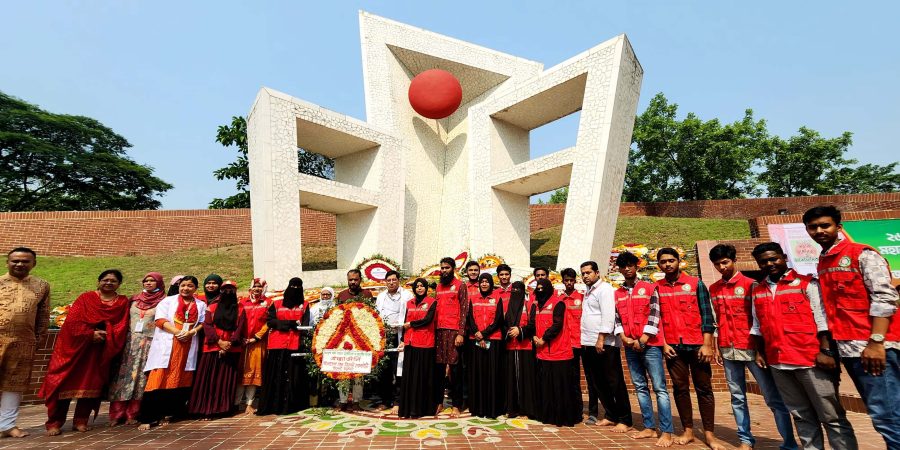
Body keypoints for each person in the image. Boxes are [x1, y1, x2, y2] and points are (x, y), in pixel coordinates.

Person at [803, 205, 900, 448]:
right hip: (850, 348)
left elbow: (885, 298)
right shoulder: (824, 261)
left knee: (888, 416)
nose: (819, 231)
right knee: (883, 413)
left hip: (875, 348)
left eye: (825, 225)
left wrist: (876, 341)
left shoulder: (861, 254)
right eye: (813, 227)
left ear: (839, 227)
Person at [750, 242, 858, 450]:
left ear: (784, 257)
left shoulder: (807, 284)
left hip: (810, 360)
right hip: (779, 362)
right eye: (764, 261)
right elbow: (757, 326)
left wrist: (826, 351)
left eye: (774, 259)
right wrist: (759, 352)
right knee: (801, 415)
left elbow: (823, 320)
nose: (770, 264)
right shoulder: (758, 291)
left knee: (831, 416)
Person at [708, 244, 796, 450]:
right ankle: (745, 439)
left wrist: (759, 350)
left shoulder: (752, 285)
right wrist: (717, 347)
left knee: (772, 398)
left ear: (733, 260)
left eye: (725, 262)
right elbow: (716, 321)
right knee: (737, 397)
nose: (722, 267)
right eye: (717, 264)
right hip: (728, 349)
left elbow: (759, 320)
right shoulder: (714, 288)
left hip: (751, 349)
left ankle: (789, 441)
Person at [39, 269, 129, 435]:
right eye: (105, 280)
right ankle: (55, 422)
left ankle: (81, 420)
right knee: (62, 383)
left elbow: (122, 325)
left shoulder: (122, 302)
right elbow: (72, 322)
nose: (109, 283)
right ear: (99, 281)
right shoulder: (86, 298)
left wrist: (107, 333)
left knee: (91, 386)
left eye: (113, 281)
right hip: (75, 350)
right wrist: (90, 334)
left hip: (99, 352)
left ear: (119, 284)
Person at [655, 248, 723, 449]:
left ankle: (709, 434)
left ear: (679, 261)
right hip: (673, 347)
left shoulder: (695, 284)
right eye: (664, 261)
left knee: (704, 388)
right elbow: (657, 319)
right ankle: (688, 430)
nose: (668, 264)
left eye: (671, 260)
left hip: (697, 345)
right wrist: (664, 344)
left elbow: (707, 315)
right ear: (659, 265)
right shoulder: (657, 288)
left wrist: (707, 344)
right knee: (680, 388)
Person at [612, 251, 674, 447]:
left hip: (651, 346)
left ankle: (667, 431)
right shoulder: (618, 293)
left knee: (659, 388)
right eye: (623, 266)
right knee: (640, 387)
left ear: (636, 266)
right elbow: (617, 319)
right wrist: (624, 337)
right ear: (620, 269)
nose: (627, 269)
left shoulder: (649, 287)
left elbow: (655, 314)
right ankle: (649, 426)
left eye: (630, 265)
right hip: (630, 345)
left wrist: (644, 338)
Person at [138, 276, 206, 430]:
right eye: (183, 285)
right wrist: (177, 332)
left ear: (195, 288)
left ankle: (171, 413)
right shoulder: (168, 301)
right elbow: (160, 320)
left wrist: (192, 332)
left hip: (187, 345)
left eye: (190, 286)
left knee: (181, 379)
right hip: (167, 343)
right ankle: (148, 417)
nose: (186, 289)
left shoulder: (200, 304)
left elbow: (202, 322)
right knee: (158, 379)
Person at [0, 247, 50, 439]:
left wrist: (38, 339)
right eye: (15, 261)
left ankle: (7, 425)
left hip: (23, 342)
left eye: (25, 261)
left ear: (33, 263)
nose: (20, 264)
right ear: (7, 262)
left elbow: (44, 316)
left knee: (14, 385)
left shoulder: (41, 285)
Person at [108, 272, 166, 426]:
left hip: (150, 343)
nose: (148, 283)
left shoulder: (164, 301)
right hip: (130, 343)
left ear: (159, 283)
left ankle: (133, 413)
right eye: (146, 281)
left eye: (152, 281)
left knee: (141, 378)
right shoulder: (133, 299)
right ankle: (116, 413)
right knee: (123, 377)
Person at [580, 261, 632, 431]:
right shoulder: (588, 291)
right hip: (588, 342)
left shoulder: (605, 290)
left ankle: (625, 419)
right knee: (597, 381)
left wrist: (601, 338)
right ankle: (611, 415)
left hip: (605, 343)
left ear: (597, 272)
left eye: (588, 272)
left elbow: (609, 315)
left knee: (614, 381)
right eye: (583, 273)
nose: (585, 276)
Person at [188, 280, 246, 418]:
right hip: (212, 347)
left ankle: (222, 408)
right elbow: (207, 325)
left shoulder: (240, 308)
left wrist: (228, 344)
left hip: (231, 349)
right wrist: (219, 342)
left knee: (224, 381)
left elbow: (240, 328)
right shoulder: (212, 307)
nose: (228, 292)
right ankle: (203, 409)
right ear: (220, 291)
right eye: (225, 289)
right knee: (208, 380)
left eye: (231, 290)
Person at [530, 278, 581, 427]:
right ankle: (547, 415)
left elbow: (557, 325)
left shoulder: (558, 303)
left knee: (560, 387)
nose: (540, 291)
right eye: (537, 288)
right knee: (546, 386)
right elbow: (532, 324)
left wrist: (544, 339)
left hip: (559, 351)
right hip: (543, 352)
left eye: (542, 288)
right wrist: (534, 336)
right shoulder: (536, 305)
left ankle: (563, 417)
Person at [256, 277, 310, 416]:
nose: (295, 290)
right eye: (293, 286)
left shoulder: (305, 305)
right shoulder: (277, 303)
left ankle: (291, 405)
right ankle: (273, 405)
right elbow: (271, 321)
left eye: (299, 287)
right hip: (277, 344)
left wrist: (297, 328)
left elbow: (304, 324)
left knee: (293, 375)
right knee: (276, 374)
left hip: (294, 343)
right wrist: (289, 324)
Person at [466, 272, 505, 418]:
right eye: (481, 282)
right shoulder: (473, 299)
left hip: (493, 340)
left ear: (490, 283)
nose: (484, 284)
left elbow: (499, 319)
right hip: (475, 339)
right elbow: (469, 318)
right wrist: (477, 333)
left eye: (486, 282)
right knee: (477, 374)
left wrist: (485, 334)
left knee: (492, 374)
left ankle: (492, 408)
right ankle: (478, 408)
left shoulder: (497, 298)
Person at [398, 278, 437, 419]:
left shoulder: (432, 302)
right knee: (410, 377)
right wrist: (402, 340)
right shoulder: (409, 303)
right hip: (410, 343)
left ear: (426, 288)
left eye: (422, 286)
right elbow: (404, 322)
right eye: (417, 286)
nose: (420, 288)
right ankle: (409, 409)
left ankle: (422, 409)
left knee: (422, 377)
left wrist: (412, 324)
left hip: (425, 343)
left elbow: (428, 320)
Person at [434, 257, 468, 417]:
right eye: (442, 268)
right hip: (439, 332)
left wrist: (461, 333)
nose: (444, 270)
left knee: (455, 371)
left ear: (453, 268)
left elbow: (464, 310)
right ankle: (438, 402)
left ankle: (456, 405)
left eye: (447, 267)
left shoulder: (460, 285)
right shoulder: (439, 287)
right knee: (439, 369)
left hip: (454, 333)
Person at [374, 270, 411, 411]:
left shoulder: (407, 295)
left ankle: (398, 401)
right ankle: (385, 400)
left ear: (398, 281)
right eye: (388, 280)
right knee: (385, 369)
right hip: (384, 336)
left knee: (399, 369)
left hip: (400, 335)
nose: (391, 282)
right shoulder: (381, 296)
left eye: (394, 280)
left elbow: (409, 315)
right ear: (385, 282)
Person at [502, 281, 537, 419]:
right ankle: (512, 408)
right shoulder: (506, 305)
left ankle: (526, 408)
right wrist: (509, 332)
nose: (516, 291)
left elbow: (533, 323)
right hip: (510, 346)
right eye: (514, 289)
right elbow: (502, 323)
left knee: (526, 378)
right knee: (510, 378)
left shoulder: (529, 305)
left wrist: (520, 330)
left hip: (525, 345)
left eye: (519, 289)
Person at [236, 278, 269, 414]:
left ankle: (249, 403)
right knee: (239, 373)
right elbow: (236, 320)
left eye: (260, 287)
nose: (257, 289)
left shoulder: (267, 303)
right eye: (255, 286)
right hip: (241, 342)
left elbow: (269, 322)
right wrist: (240, 337)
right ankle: (236, 403)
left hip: (258, 343)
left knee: (254, 373)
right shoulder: (242, 302)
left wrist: (256, 337)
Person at [337, 269, 368, 410]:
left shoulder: (367, 294)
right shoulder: (341, 295)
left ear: (360, 279)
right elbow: (337, 316)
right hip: (344, 338)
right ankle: (343, 401)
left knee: (359, 370)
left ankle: (356, 401)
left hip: (361, 338)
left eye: (356, 279)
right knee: (344, 368)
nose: (353, 282)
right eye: (351, 280)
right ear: (347, 280)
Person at [558, 268, 584, 413]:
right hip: (562, 343)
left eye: (571, 280)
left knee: (575, 377)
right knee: (564, 377)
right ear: (562, 281)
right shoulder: (558, 298)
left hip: (577, 343)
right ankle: (565, 406)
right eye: (566, 280)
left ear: (575, 280)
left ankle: (578, 409)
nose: (569, 283)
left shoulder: (581, 298)